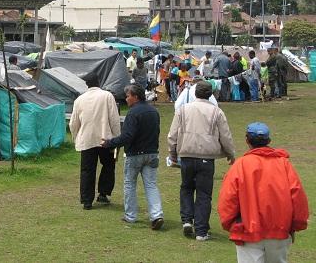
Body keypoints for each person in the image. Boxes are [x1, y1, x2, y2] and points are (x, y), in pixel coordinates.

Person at [218, 122, 309, 262]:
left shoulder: (241, 165)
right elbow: (297, 196)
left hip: (248, 230)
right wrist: (297, 224)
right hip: (279, 229)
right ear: (269, 141)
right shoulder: (284, 165)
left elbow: (228, 199)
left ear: (247, 140)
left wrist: (230, 224)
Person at [167, 81, 235, 241]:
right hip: (206, 157)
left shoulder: (183, 110)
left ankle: (186, 220)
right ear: (210, 95)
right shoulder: (216, 112)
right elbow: (225, 135)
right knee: (204, 193)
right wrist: (231, 153)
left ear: (195, 93)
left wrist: (172, 152)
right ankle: (201, 230)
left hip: (186, 154)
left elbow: (172, 134)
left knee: (186, 188)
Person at [101, 85, 164, 230]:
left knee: (130, 184)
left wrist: (110, 143)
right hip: (152, 153)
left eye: (128, 96)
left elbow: (127, 136)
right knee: (151, 185)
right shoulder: (154, 111)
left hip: (135, 154)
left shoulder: (133, 113)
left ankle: (131, 215)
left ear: (136, 97)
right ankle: (157, 215)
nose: (126, 98)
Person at [69, 76, 120, 210]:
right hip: (105, 139)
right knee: (108, 166)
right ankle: (103, 193)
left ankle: (87, 201)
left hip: (86, 139)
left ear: (87, 85)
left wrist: (76, 137)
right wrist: (117, 138)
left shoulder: (79, 100)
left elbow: (73, 123)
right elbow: (114, 119)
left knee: (87, 170)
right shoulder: (107, 96)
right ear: (99, 83)